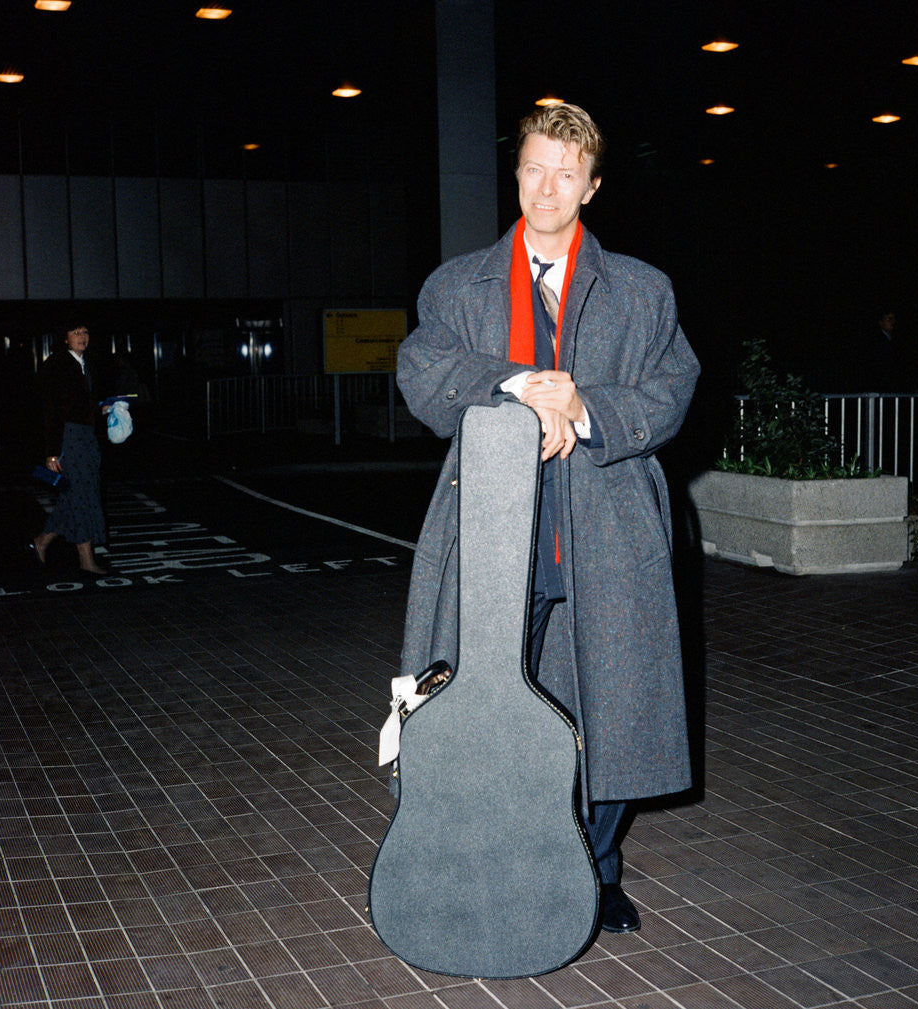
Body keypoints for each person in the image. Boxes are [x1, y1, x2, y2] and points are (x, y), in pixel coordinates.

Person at [397, 103, 701, 935]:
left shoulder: (643, 291)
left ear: (592, 186)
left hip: (605, 531)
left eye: (566, 174)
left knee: (616, 709)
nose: (546, 188)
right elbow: (423, 371)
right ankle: (475, 857)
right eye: (534, 168)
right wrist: (518, 383)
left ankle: (596, 871)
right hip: (496, 531)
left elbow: (671, 393)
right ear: (517, 174)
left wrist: (586, 404)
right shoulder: (456, 286)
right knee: (470, 700)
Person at [32, 322, 109, 575]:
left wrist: (101, 409)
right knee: (81, 496)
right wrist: (52, 452)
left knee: (78, 494)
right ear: (64, 338)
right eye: (75, 333)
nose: (82, 337)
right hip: (69, 437)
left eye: (85, 332)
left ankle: (43, 540)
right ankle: (86, 560)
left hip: (86, 437)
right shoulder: (57, 364)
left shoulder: (85, 363)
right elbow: (51, 410)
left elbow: (83, 404)